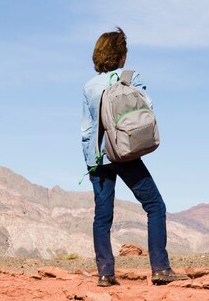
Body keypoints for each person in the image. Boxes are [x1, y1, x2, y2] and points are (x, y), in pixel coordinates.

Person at [81, 27, 189, 287]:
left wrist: (91, 160)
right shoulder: (130, 76)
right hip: (125, 153)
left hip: (99, 157)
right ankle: (160, 269)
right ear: (121, 55)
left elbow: (87, 127)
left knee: (102, 217)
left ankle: (105, 274)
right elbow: (146, 109)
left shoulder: (89, 86)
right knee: (155, 206)